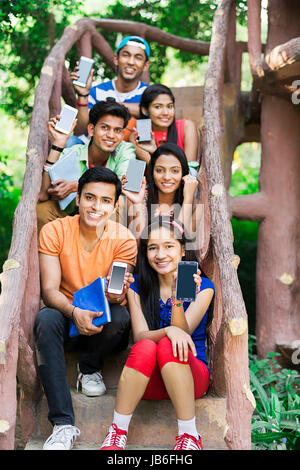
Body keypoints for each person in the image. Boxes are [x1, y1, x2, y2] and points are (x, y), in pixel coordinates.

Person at [34, 167, 137, 450]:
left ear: (115, 206)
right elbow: (50, 291)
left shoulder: (124, 239)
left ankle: (89, 367)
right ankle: (63, 425)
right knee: (45, 318)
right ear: (77, 199)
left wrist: (112, 292)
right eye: (90, 198)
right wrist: (74, 312)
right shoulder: (55, 230)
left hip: (102, 324)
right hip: (66, 318)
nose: (97, 206)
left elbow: (117, 298)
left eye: (106, 201)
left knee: (120, 317)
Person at [100, 216, 214, 451]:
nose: (160, 254)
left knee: (167, 345)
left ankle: (190, 436)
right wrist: (167, 330)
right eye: (153, 247)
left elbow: (183, 334)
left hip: (191, 378)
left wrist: (177, 299)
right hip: (147, 383)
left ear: (183, 250)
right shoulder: (136, 287)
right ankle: (117, 432)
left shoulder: (204, 287)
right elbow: (141, 335)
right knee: (146, 346)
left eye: (169, 246)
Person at [37, 99, 136, 232]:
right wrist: (59, 143)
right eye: (105, 127)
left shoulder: (126, 150)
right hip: (74, 214)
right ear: (91, 130)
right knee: (42, 210)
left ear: (122, 134)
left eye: (117, 130)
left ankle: (106, 251)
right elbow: (43, 195)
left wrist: (77, 186)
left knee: (122, 202)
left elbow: (125, 186)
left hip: (106, 216)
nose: (111, 135)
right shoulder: (73, 153)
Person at [69, 36, 151, 146]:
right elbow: (80, 131)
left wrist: (109, 106)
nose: (131, 62)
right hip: (95, 150)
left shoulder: (149, 93)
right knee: (71, 142)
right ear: (116, 59)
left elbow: (146, 132)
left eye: (138, 57)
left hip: (130, 152)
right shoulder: (97, 91)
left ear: (146, 65)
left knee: (140, 153)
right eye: (126, 55)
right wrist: (83, 94)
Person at [122, 143, 201, 240]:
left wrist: (188, 199)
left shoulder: (194, 206)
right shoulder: (139, 199)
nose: (167, 177)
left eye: (175, 171)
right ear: (152, 172)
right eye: (159, 170)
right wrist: (138, 203)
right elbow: (139, 245)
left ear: (183, 174)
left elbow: (177, 241)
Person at [129, 84, 199, 169]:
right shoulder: (137, 135)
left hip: (184, 180)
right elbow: (158, 168)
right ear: (145, 110)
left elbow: (191, 169)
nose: (165, 112)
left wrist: (154, 151)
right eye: (158, 107)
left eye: (169, 106)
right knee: (133, 168)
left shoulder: (186, 126)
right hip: (149, 181)